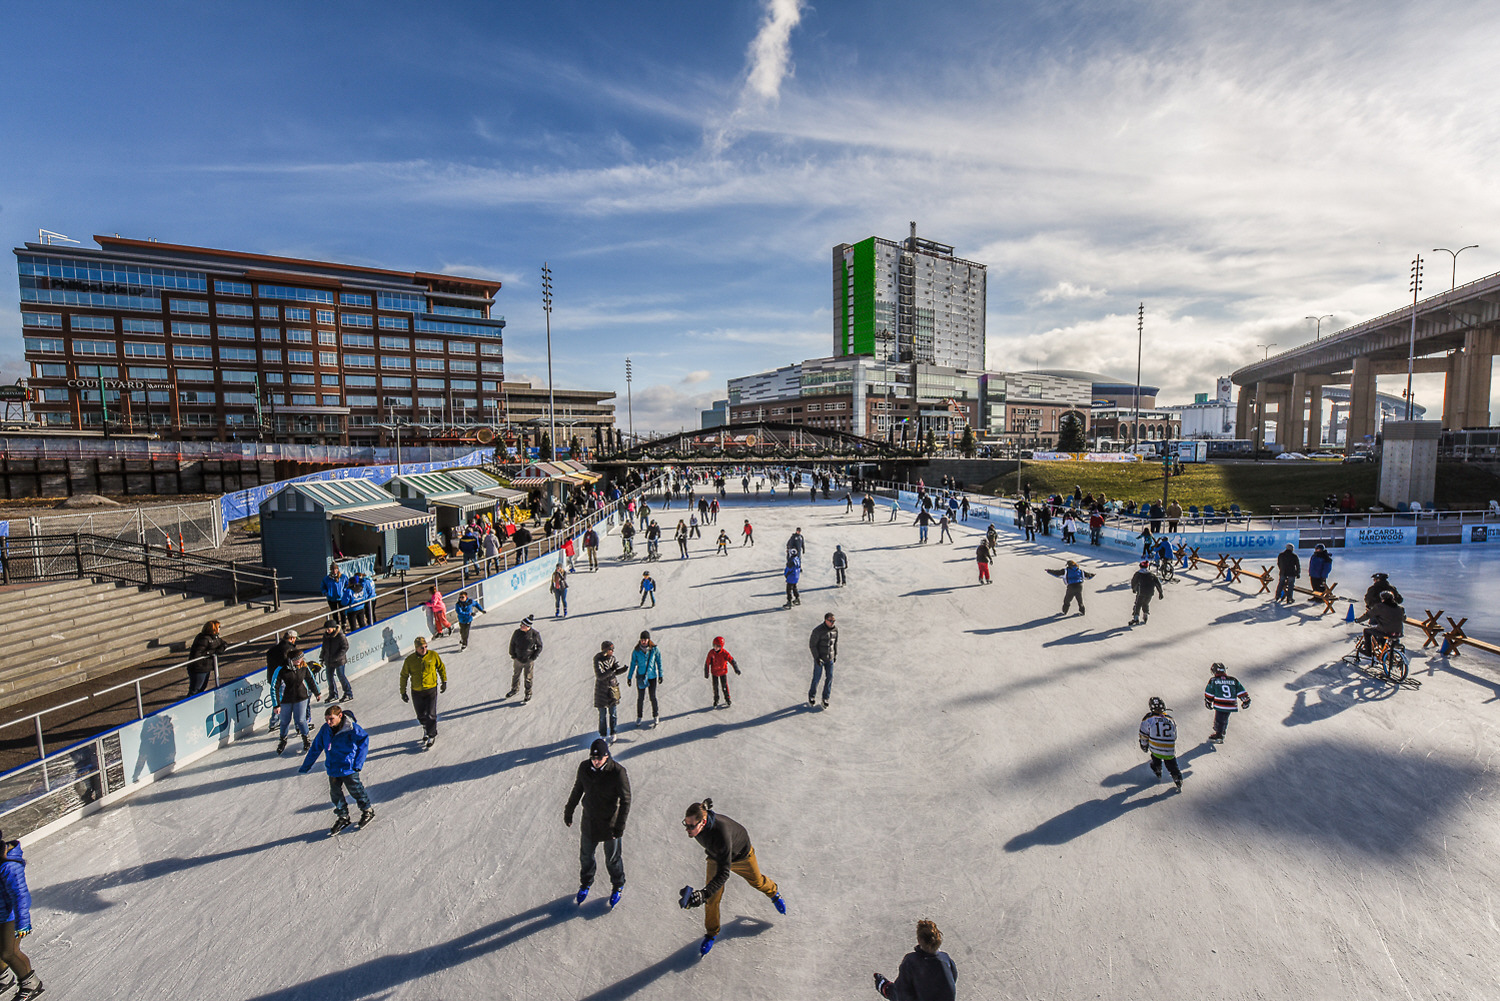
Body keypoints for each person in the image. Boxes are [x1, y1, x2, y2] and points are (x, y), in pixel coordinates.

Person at [679, 798, 785, 956]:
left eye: (691, 825)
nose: (688, 829)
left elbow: (724, 872)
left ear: (703, 821)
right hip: (716, 857)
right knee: (712, 899)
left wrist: (704, 893)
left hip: (742, 857)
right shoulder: (699, 824)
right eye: (685, 824)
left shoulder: (722, 833)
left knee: (757, 882)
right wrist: (708, 894)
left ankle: (773, 892)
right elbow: (705, 811)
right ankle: (711, 933)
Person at [566, 738, 632, 908]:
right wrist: (569, 809)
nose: (595, 762)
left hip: (610, 824)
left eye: (599, 759)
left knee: (612, 859)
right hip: (589, 821)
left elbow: (626, 800)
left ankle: (618, 885)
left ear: (607, 756)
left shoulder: (618, 772)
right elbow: (577, 789)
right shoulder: (584, 768)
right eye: (593, 758)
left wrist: (620, 826)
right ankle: (586, 882)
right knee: (586, 856)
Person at [298, 702, 374, 836]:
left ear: (340, 716)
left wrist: (358, 763)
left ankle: (367, 810)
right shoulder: (325, 729)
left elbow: (364, 741)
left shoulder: (351, 728)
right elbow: (316, 747)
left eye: (331, 719)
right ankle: (343, 817)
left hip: (348, 767)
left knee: (355, 790)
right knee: (335, 794)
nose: (328, 722)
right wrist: (306, 766)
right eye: (326, 719)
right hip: (333, 767)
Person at [0, 830, 43, 1001]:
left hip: (10, 916)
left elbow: (20, 896)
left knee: (9, 952)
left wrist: (22, 922)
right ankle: (3, 978)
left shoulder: (8, 865)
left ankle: (30, 984)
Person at [873, 919, 957, 1001]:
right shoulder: (945, 959)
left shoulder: (911, 962)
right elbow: (953, 978)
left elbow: (902, 995)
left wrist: (885, 987)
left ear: (919, 941)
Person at [400, 636, 447, 749]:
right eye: (421, 647)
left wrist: (444, 681)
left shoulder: (433, 655)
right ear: (416, 648)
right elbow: (404, 676)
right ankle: (426, 728)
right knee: (421, 715)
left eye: (426, 646)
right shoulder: (410, 660)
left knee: (431, 714)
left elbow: (441, 667)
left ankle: (431, 735)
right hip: (416, 691)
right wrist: (403, 692)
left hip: (431, 689)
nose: (424, 649)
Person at [271, 652, 322, 755]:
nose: (299, 660)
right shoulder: (281, 669)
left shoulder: (303, 666)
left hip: (301, 697)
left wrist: (317, 692)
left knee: (301, 720)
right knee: (285, 721)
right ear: (290, 659)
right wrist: (276, 704)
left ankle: (306, 739)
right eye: (297, 659)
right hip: (285, 700)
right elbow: (274, 687)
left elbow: (310, 679)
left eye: (301, 658)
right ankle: (283, 740)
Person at [1139, 696, 1183, 790]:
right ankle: (1177, 777)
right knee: (1171, 763)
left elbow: (1144, 734)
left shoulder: (1148, 718)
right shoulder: (1170, 719)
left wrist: (1144, 745)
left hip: (1155, 748)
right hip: (1169, 749)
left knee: (1155, 756)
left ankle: (1157, 767)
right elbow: (1175, 735)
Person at [1204, 662, 1250, 744]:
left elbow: (1209, 692)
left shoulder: (1214, 680)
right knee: (1224, 718)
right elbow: (1240, 690)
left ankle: (1219, 735)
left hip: (1220, 704)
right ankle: (1222, 730)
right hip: (1231, 704)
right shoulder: (1233, 680)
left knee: (1219, 719)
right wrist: (1245, 700)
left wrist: (1208, 701)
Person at [628, 630, 662, 728]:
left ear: (648, 639)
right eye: (642, 640)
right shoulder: (636, 651)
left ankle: (655, 715)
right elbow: (633, 664)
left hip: (652, 677)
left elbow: (659, 662)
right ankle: (639, 716)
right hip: (641, 677)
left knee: (652, 697)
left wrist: (660, 674)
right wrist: (629, 677)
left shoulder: (654, 650)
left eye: (645, 640)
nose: (643, 641)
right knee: (640, 698)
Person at [593, 641, 627, 740]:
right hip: (601, 691)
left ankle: (613, 732)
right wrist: (612, 669)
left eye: (612, 649)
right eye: (610, 649)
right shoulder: (598, 659)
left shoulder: (612, 658)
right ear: (605, 650)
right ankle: (603, 734)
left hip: (612, 689)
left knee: (613, 713)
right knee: (602, 715)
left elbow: (613, 673)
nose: (612, 651)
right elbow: (600, 676)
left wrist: (621, 670)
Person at [1355, 591, 1406, 656]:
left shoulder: (1380, 607)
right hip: (1398, 632)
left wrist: (1358, 620)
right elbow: (1404, 619)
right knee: (1382, 633)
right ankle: (1384, 651)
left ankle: (1368, 651)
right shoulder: (1400, 608)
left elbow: (1368, 615)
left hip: (1386, 631)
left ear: (1383, 599)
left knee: (1367, 631)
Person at [507, 615, 543, 703]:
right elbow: (512, 644)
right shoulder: (517, 633)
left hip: (528, 660)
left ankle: (528, 693)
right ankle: (514, 689)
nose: (521, 627)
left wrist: (533, 657)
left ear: (528, 626)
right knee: (516, 675)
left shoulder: (534, 634)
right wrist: (513, 655)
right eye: (521, 625)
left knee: (528, 678)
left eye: (523, 625)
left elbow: (539, 646)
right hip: (518, 659)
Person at [187, 619, 226, 695]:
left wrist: (222, 648)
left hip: (206, 667)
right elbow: (197, 654)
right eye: (219, 627)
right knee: (195, 689)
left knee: (202, 688)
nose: (220, 629)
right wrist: (213, 652)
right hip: (199, 668)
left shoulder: (215, 637)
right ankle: (188, 704)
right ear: (213, 629)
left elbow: (223, 643)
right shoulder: (203, 639)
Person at [808, 612, 838, 708]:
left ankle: (825, 697)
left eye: (834, 621)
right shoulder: (818, 631)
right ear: (825, 620)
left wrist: (835, 655)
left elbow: (835, 643)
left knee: (829, 677)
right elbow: (812, 645)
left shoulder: (835, 630)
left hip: (830, 659)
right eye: (831, 621)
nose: (832, 623)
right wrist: (817, 658)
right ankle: (812, 696)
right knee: (817, 678)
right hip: (820, 659)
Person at [320, 619, 353, 703]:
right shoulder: (326, 636)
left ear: (334, 628)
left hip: (339, 660)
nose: (327, 630)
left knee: (341, 676)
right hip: (328, 660)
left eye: (329, 629)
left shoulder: (340, 635)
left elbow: (345, 647)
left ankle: (348, 693)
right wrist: (322, 657)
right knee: (329, 677)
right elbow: (324, 648)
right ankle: (333, 694)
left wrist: (337, 657)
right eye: (326, 629)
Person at [704, 636, 741, 709]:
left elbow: (731, 660)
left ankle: (727, 699)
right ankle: (716, 699)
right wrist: (706, 672)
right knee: (715, 687)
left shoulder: (724, 653)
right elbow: (707, 663)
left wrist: (736, 669)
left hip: (723, 672)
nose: (715, 647)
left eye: (718, 646)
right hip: (714, 672)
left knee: (724, 686)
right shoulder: (711, 653)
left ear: (721, 646)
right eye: (714, 645)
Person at [1130, 560, 1163, 625]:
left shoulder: (1138, 574)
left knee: (1138, 604)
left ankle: (1136, 618)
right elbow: (1158, 584)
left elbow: (1133, 582)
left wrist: (1134, 589)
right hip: (1150, 593)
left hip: (1141, 592)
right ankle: (1145, 615)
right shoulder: (1152, 575)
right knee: (1145, 603)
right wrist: (1160, 592)